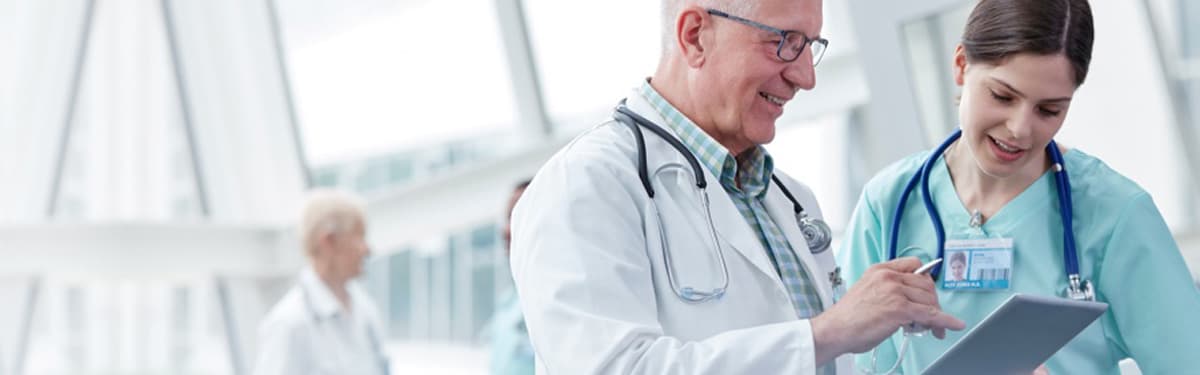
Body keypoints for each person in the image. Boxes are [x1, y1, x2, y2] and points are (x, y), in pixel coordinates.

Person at [509, 0, 964, 373]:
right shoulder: (586, 185)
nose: (806, 77)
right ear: (695, 36)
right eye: (784, 42)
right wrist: (829, 332)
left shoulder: (789, 199)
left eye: (811, 46)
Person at [837, 0, 1200, 373]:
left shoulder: (1114, 215)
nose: (1020, 129)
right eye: (1002, 96)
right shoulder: (889, 203)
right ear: (961, 65)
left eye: (1049, 110)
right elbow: (849, 361)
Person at [253, 190, 390, 375]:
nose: (367, 250)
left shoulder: (365, 310)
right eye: (359, 237)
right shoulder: (289, 325)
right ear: (329, 241)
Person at [489, 180, 535, 375]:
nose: (506, 230)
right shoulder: (508, 304)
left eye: (518, 217)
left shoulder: (564, 300)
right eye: (507, 218)